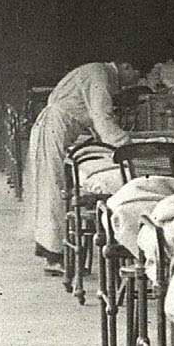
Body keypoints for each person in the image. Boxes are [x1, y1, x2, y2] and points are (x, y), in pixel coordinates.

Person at [27, 56, 147, 270]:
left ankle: (53, 250)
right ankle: (54, 255)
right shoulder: (101, 75)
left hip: (56, 127)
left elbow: (94, 118)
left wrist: (107, 141)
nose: (133, 82)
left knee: (52, 186)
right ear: (126, 66)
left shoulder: (99, 73)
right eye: (135, 76)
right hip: (54, 127)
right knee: (52, 187)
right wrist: (126, 146)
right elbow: (102, 117)